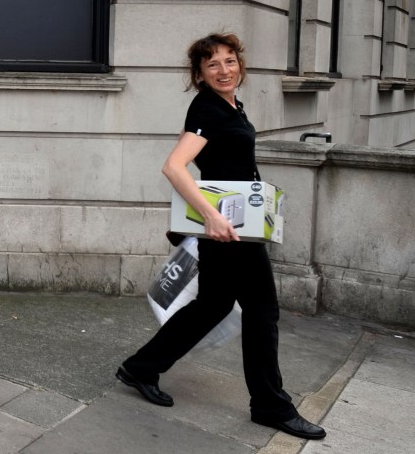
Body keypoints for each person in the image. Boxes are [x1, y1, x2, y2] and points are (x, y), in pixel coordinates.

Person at [116, 33, 326, 441]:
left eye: (229, 61)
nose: (224, 70)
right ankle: (270, 405)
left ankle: (141, 367)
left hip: (239, 226)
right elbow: (175, 167)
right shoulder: (207, 109)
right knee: (263, 313)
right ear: (200, 74)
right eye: (213, 64)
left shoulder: (232, 106)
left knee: (212, 306)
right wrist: (211, 217)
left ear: (240, 66)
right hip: (227, 230)